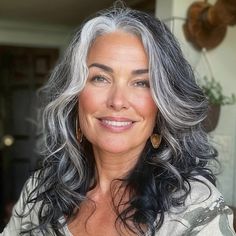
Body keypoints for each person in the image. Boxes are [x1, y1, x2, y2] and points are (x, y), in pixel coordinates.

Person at [1, 5, 235, 236]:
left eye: (142, 82)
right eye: (100, 78)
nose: (117, 100)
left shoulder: (194, 208)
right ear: (74, 95)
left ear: (164, 104)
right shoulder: (41, 189)